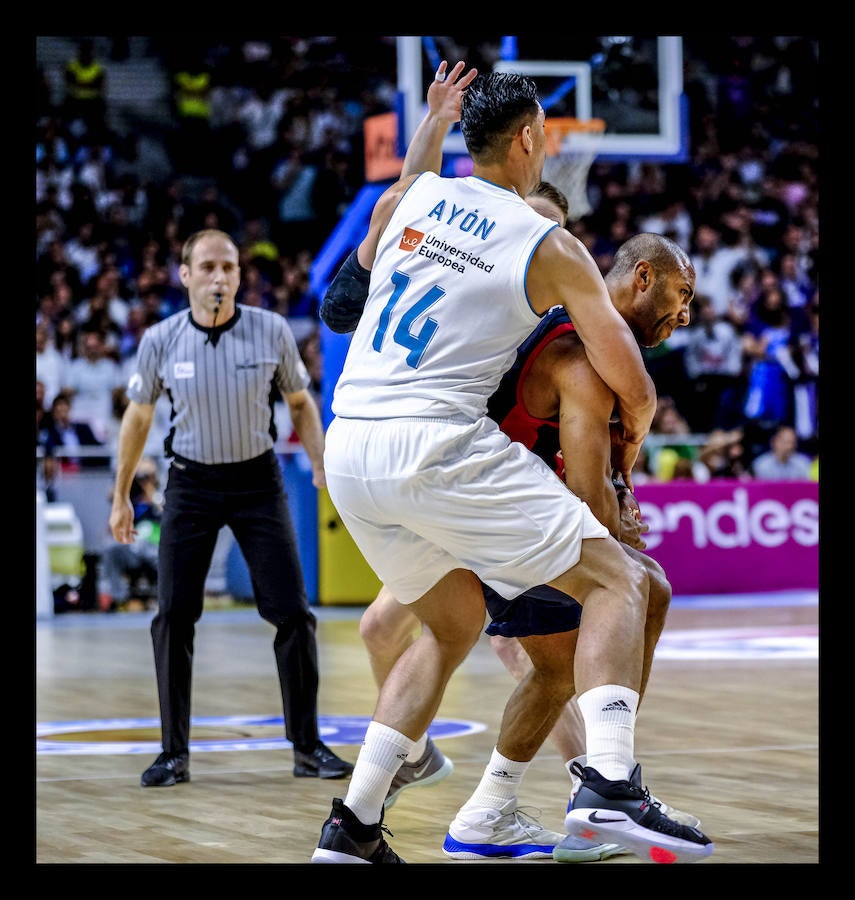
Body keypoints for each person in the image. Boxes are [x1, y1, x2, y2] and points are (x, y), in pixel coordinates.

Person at [310, 61, 712, 864]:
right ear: (528, 138)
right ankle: (607, 784)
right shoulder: (547, 243)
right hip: (435, 444)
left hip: (351, 442)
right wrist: (634, 432)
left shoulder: (413, 197)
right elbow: (630, 379)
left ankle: (352, 827)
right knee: (621, 581)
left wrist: (432, 120)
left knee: (448, 626)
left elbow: (392, 211)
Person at [108, 227, 353, 788]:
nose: (219, 276)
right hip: (189, 483)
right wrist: (120, 496)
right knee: (173, 617)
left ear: (240, 276)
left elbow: (300, 403)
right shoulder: (161, 339)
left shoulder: (271, 330)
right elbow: (138, 418)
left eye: (229, 267)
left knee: (293, 614)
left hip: (257, 482)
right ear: (185, 276)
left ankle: (307, 747)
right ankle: (173, 753)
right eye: (208, 267)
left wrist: (320, 464)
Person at [98, 456, 162, 612]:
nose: (141, 481)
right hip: (132, 546)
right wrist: (126, 480)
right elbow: (112, 497)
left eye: (145, 477)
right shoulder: (131, 500)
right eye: (140, 478)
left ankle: (164, 598)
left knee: (164, 555)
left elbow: (164, 510)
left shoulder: (158, 496)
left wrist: (149, 488)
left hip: (155, 547)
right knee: (110, 549)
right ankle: (120, 597)